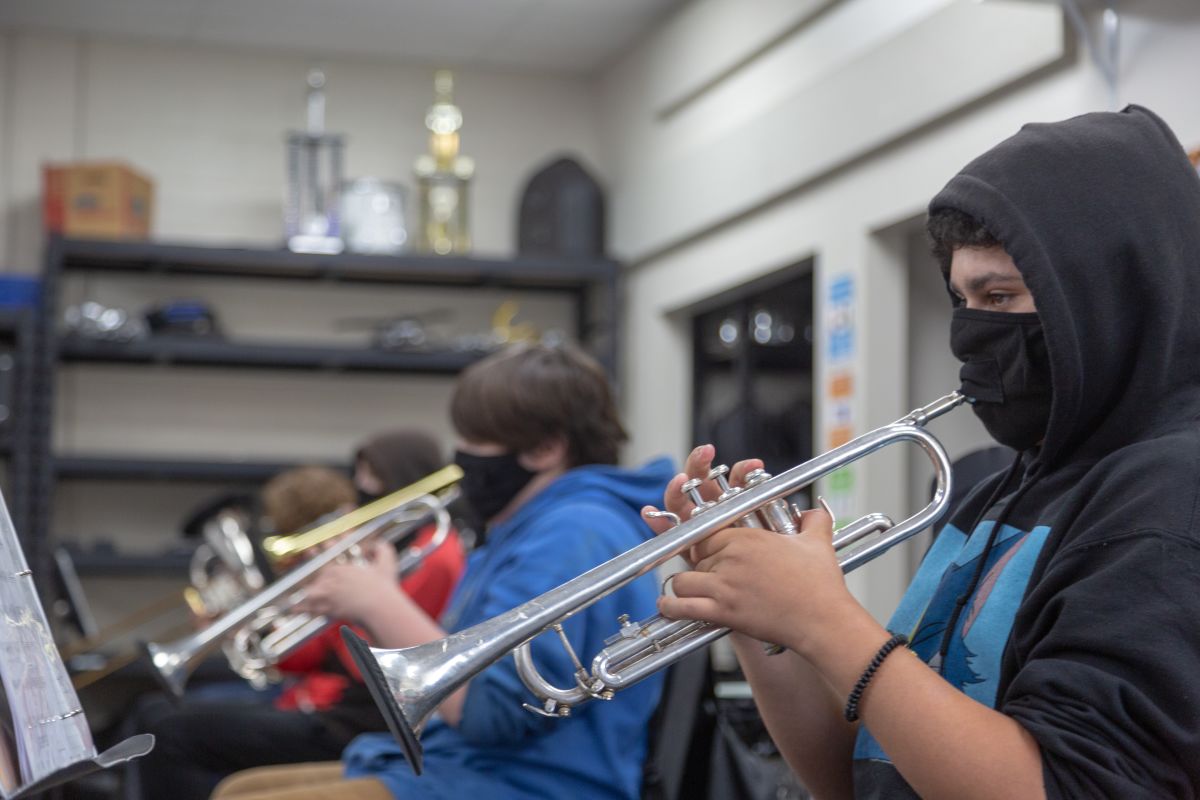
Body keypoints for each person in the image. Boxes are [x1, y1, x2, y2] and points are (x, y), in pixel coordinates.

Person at [647, 105, 1200, 798]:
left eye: (1000, 296)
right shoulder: (1000, 490)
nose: (972, 329)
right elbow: (861, 774)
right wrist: (763, 619)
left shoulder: (1173, 494)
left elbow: (1061, 786)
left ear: (1106, 301)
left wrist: (825, 617)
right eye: (962, 299)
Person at [212, 343, 674, 800]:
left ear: (545, 448)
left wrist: (379, 603)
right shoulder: (532, 528)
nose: (460, 457)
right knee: (239, 789)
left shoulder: (574, 533)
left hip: (530, 783)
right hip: (467, 765)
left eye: (476, 440)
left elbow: (495, 716)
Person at [133, 450, 465, 800]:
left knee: (172, 735)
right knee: (154, 714)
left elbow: (371, 665)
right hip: (330, 704)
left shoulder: (432, 556)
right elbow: (307, 656)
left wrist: (356, 598)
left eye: (374, 481)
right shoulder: (388, 553)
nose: (362, 490)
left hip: (360, 718)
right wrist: (241, 627)